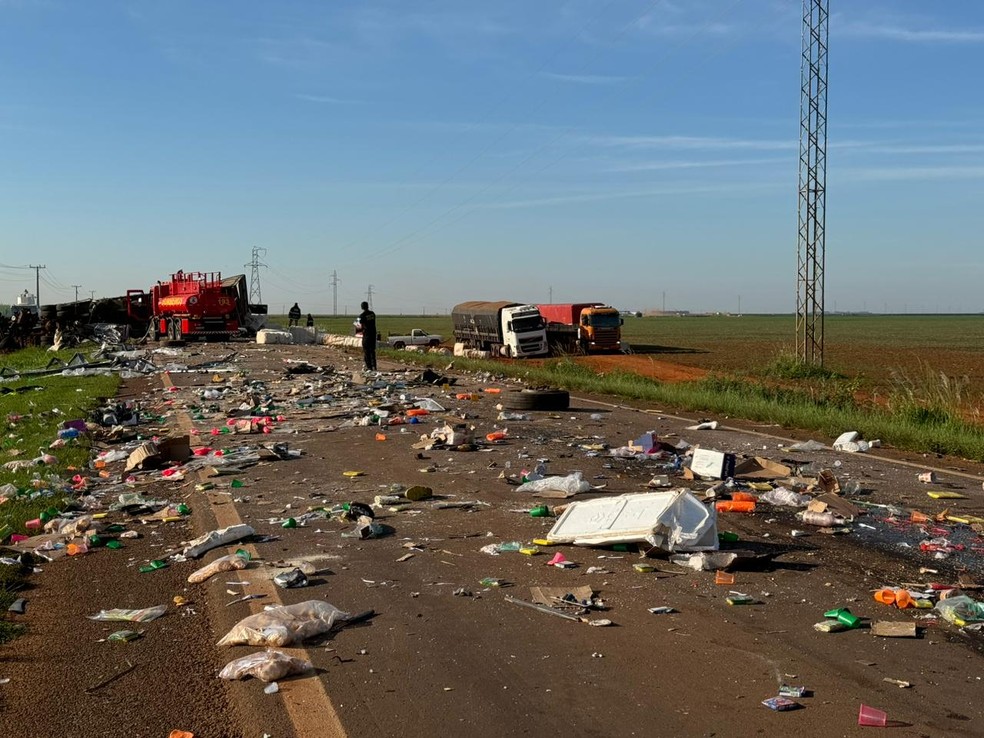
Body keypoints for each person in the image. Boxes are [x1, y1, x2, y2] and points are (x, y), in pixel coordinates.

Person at [357, 301, 377, 371]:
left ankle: (369, 367)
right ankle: (374, 366)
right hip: (373, 335)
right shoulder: (372, 314)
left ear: (362, 307)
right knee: (372, 351)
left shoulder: (361, 316)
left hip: (367, 335)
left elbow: (358, 326)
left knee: (366, 351)